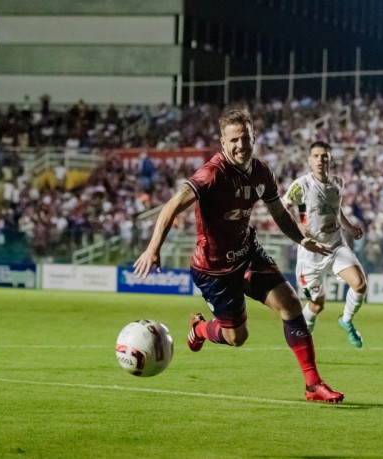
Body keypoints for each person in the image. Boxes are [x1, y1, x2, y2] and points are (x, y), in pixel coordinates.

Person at [133, 109, 344, 403]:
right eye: (234, 140)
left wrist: (302, 239)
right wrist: (153, 248)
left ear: (254, 138)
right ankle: (200, 329)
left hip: (247, 254)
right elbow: (171, 206)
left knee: (292, 306)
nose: (240, 145)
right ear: (223, 143)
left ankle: (313, 385)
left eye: (245, 138)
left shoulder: (262, 172)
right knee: (237, 338)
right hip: (214, 269)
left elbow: (280, 213)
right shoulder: (211, 174)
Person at [282, 141, 367, 347]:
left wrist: (349, 227)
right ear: (309, 160)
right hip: (311, 253)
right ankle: (302, 343)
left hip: (336, 245)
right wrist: (297, 227)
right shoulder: (301, 184)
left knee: (360, 284)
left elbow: (335, 210)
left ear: (330, 159)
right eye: (316, 156)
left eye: (324, 156)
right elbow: (284, 207)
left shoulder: (338, 182)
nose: (320, 159)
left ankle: (346, 320)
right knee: (317, 305)